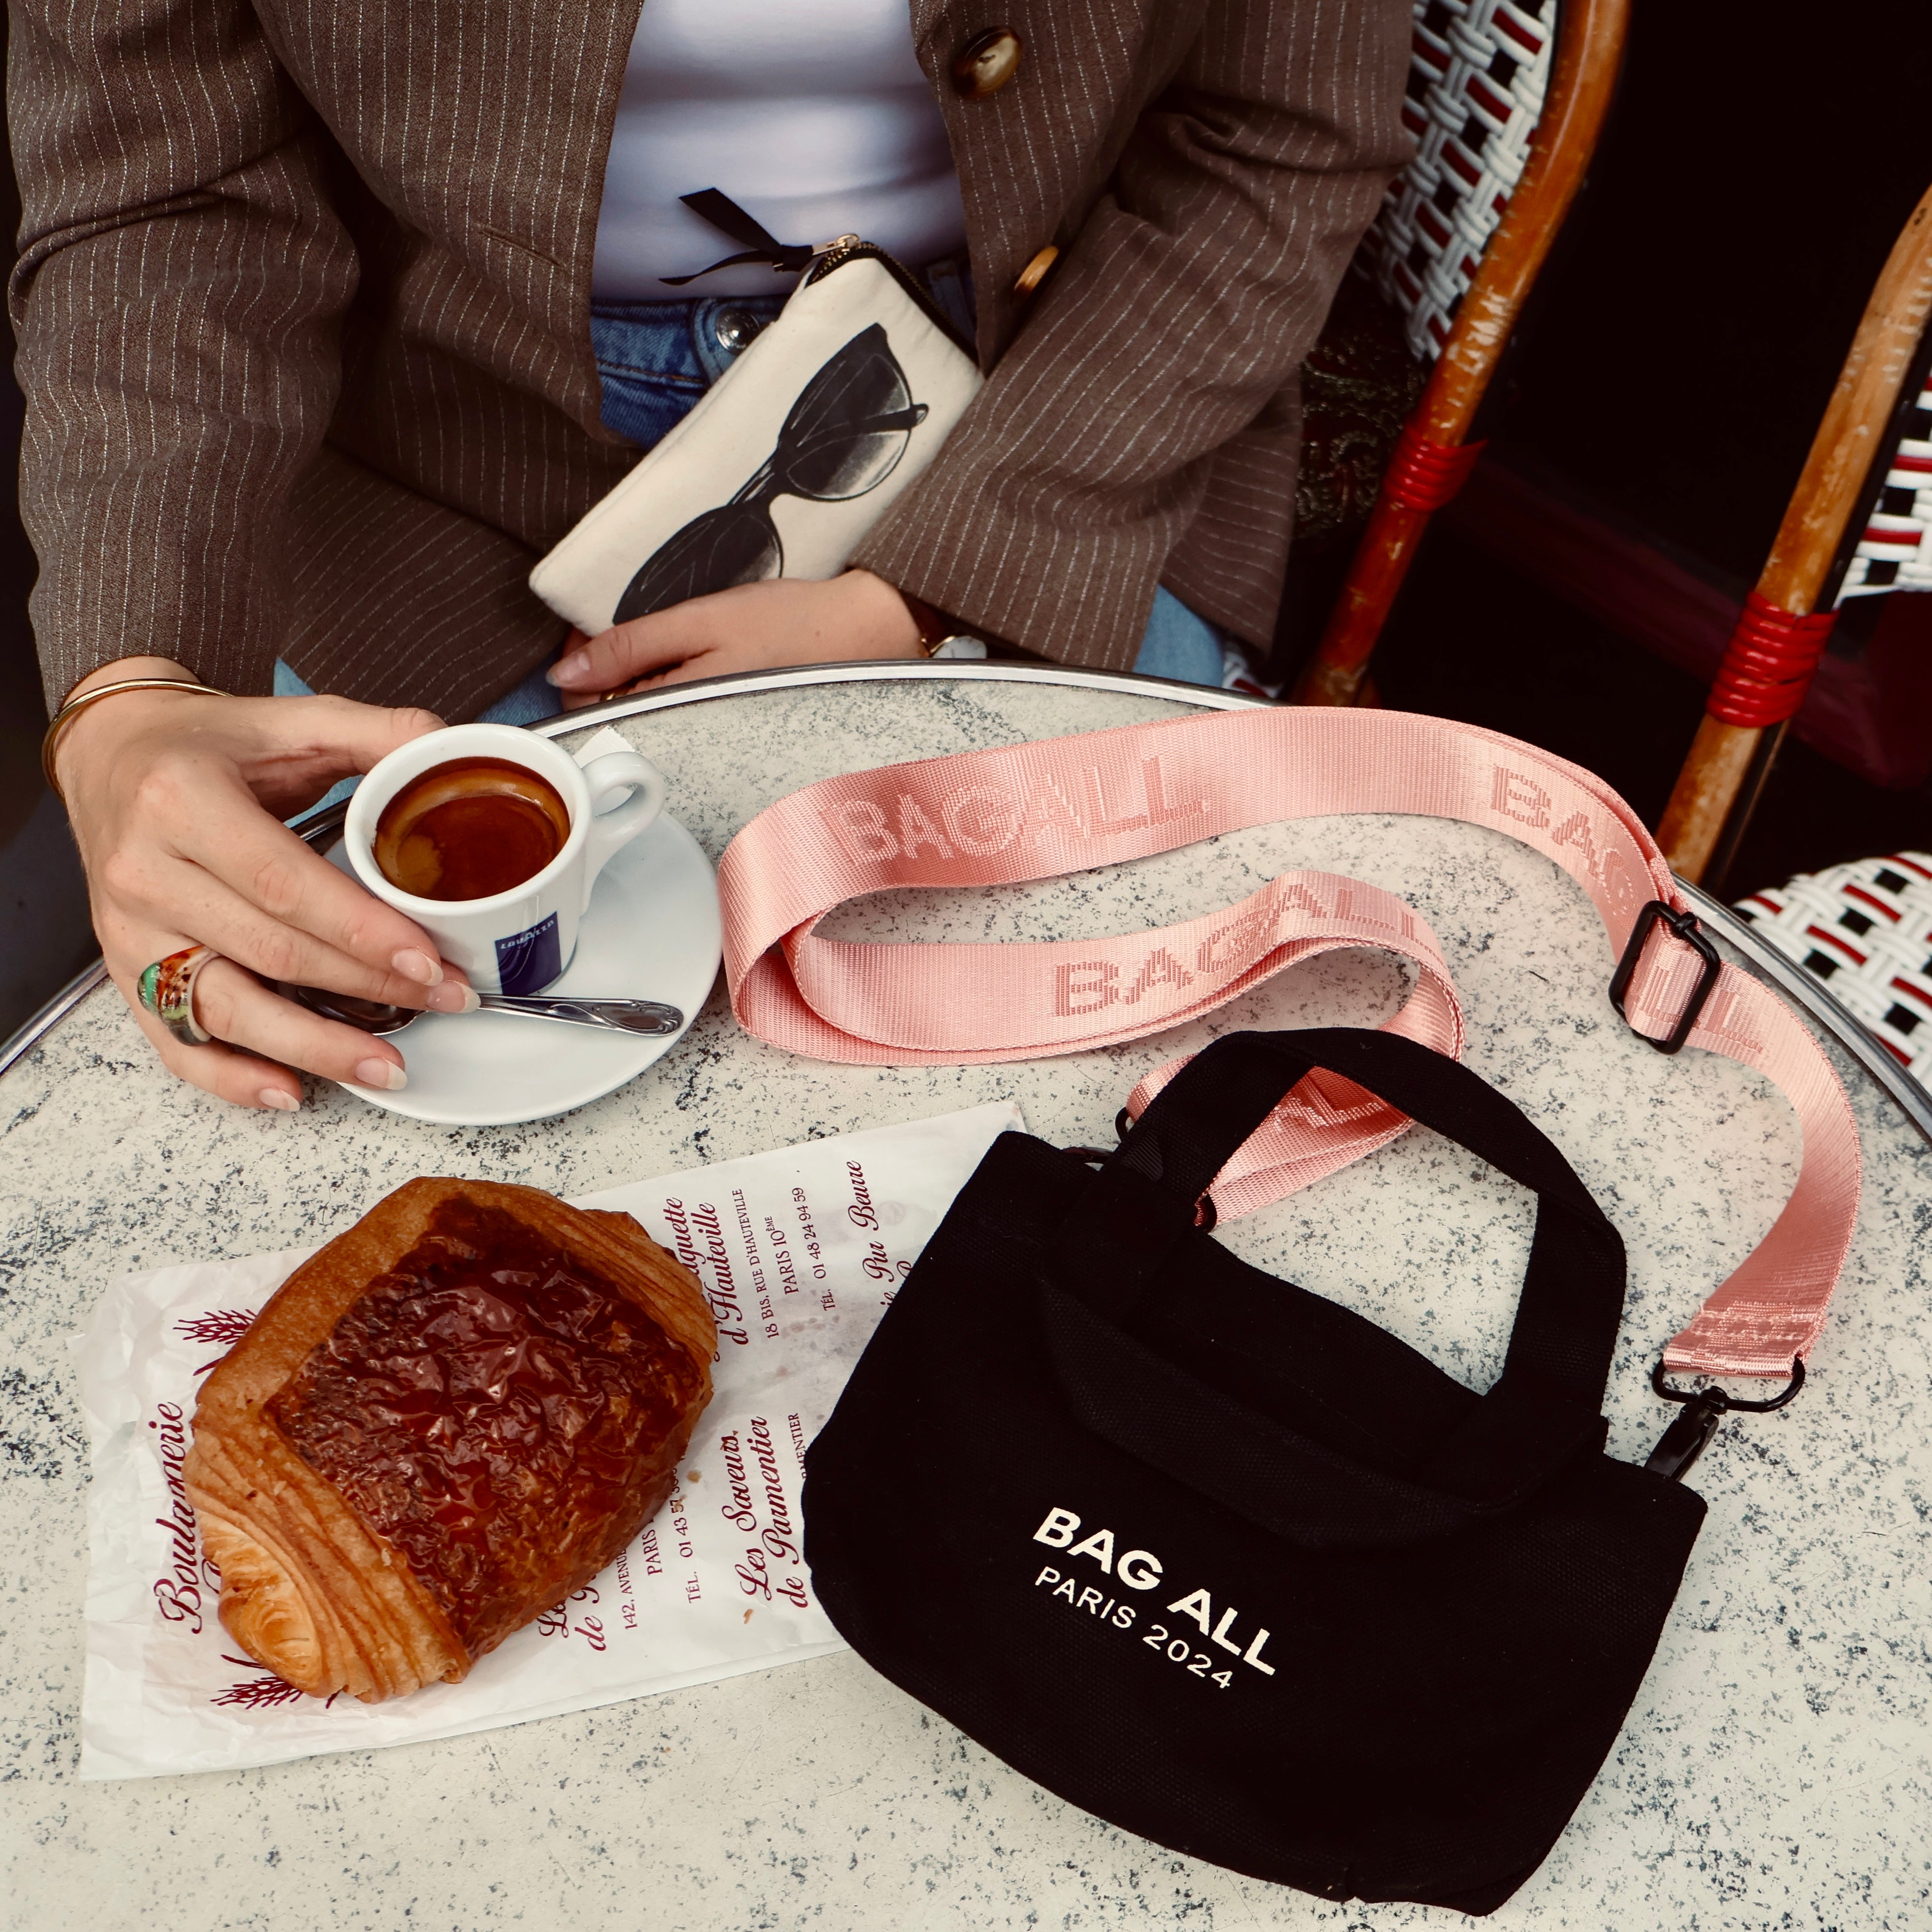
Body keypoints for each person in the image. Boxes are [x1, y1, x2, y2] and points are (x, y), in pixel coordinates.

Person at [17, 0, 1410, 1109]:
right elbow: (170, 194)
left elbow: (1270, 137)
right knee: (404, 1090)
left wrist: (948, 578)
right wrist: (130, 691)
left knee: (1143, 1095)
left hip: (1068, 430)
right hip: (437, 491)